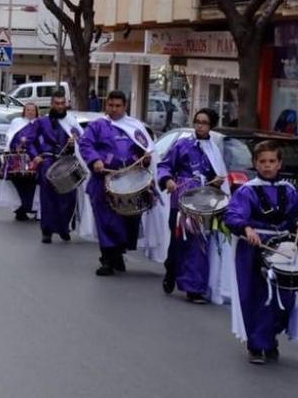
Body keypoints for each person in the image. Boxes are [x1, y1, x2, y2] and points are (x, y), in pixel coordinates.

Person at [224, 141, 298, 364]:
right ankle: (256, 344)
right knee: (257, 296)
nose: (267, 166)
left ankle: (269, 336)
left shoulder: (290, 190)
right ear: (255, 164)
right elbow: (233, 215)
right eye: (263, 162)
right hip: (254, 249)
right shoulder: (247, 190)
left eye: (272, 161)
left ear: (279, 164)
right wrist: (246, 228)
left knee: (284, 297)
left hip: (284, 249)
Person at [79, 91, 154, 276]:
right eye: (110, 105)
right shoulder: (97, 126)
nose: (113, 109)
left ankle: (118, 253)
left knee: (128, 221)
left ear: (125, 106)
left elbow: (146, 148)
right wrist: (95, 160)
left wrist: (144, 159)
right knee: (107, 221)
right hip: (104, 180)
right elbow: (85, 144)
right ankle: (107, 259)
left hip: (130, 182)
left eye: (117, 106)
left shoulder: (135, 127)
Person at [158, 108, 229, 302]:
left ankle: (194, 288)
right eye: (197, 121)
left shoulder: (214, 151)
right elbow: (164, 165)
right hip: (180, 202)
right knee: (177, 243)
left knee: (198, 246)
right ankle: (171, 269)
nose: (199, 125)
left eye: (204, 122)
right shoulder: (182, 145)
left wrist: (216, 182)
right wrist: (167, 180)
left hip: (203, 205)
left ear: (210, 126)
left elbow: (219, 177)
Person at [30, 93, 84, 243]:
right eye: (57, 103)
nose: (60, 106)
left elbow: (83, 142)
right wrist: (36, 156)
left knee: (69, 199)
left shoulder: (71, 122)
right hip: (47, 162)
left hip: (67, 163)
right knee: (48, 199)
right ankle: (46, 231)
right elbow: (31, 141)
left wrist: (75, 145)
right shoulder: (41, 122)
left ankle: (63, 227)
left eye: (62, 103)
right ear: (51, 104)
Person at [0, 103, 39, 221]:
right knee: (18, 185)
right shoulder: (17, 122)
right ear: (24, 111)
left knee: (33, 185)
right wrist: (17, 146)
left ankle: (31, 208)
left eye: (33, 110)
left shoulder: (39, 124)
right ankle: (21, 208)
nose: (30, 112)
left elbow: (39, 141)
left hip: (34, 160)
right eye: (28, 110)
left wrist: (33, 153)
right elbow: (10, 137)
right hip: (17, 160)